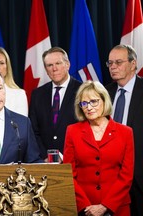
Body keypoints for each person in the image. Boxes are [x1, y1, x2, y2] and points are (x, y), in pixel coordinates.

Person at [64, 80, 134, 216]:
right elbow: (69, 173)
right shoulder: (72, 131)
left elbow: (126, 176)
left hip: (117, 207)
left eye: (94, 101)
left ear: (104, 100)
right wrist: (86, 206)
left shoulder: (125, 132)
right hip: (84, 208)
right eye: (84, 103)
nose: (89, 107)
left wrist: (105, 206)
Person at [105, 44, 143, 216]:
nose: (113, 67)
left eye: (118, 62)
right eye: (110, 63)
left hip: (139, 174)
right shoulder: (104, 92)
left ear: (133, 64)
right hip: (110, 175)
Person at [29, 47, 81, 160]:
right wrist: (44, 156)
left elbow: (85, 129)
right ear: (45, 69)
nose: (54, 68)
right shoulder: (37, 94)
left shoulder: (82, 91)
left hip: (74, 159)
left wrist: (67, 155)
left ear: (67, 65)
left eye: (58, 63)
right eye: (49, 65)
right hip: (44, 162)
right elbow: (33, 131)